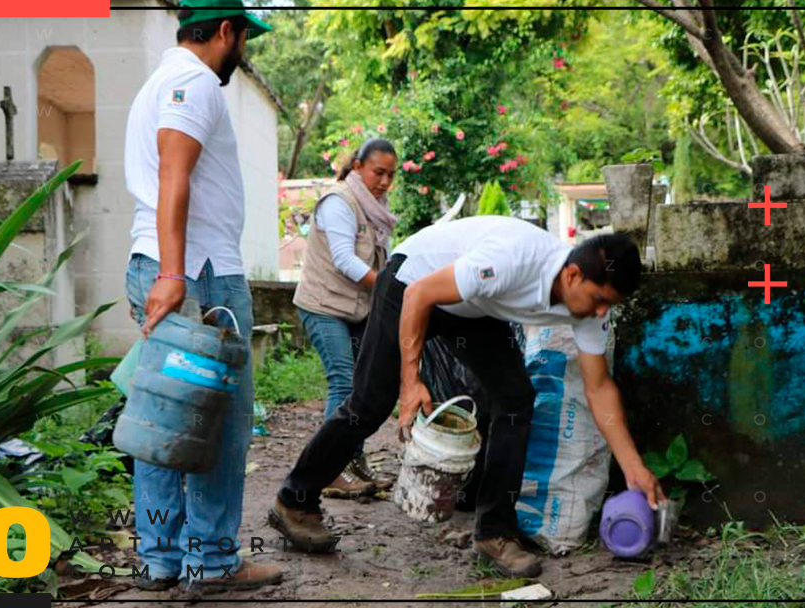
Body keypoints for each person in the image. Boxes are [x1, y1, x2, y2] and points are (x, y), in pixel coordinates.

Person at [269, 216, 665, 578]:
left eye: (609, 305)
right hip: (413, 283)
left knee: (515, 401)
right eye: (600, 301)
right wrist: (411, 382)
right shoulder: (513, 260)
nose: (601, 313)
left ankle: (494, 532)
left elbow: (599, 388)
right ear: (574, 274)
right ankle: (295, 499)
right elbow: (420, 295)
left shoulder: (587, 308)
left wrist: (632, 466)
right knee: (370, 404)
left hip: (473, 310)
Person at [122, 0, 282, 593]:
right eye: (244, 36)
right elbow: (174, 172)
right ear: (224, 31)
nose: (244, 49)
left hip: (163, 266)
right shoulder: (195, 80)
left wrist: (163, 270)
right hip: (198, 274)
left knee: (162, 417)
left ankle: (161, 560)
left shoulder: (158, 81)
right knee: (222, 421)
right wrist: (174, 272)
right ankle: (211, 562)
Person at [292, 138, 398, 498]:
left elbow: (383, 258)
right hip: (322, 306)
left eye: (391, 175)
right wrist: (389, 289)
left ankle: (353, 463)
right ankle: (327, 471)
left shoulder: (375, 207)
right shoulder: (339, 202)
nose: (384, 182)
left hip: (356, 309)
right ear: (358, 167)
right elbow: (345, 259)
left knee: (363, 386)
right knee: (343, 382)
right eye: (378, 173)